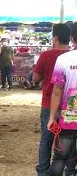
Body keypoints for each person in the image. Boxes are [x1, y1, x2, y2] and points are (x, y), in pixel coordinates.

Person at [33, 23, 73, 176]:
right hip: (69, 105)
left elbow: (36, 78)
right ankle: (69, 170)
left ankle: (43, 171)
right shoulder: (72, 56)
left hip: (49, 104)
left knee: (46, 139)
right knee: (67, 140)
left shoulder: (46, 55)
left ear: (55, 37)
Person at [46, 31, 77, 176]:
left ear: (72, 38)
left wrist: (52, 117)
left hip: (69, 117)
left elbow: (57, 90)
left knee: (60, 158)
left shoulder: (63, 59)